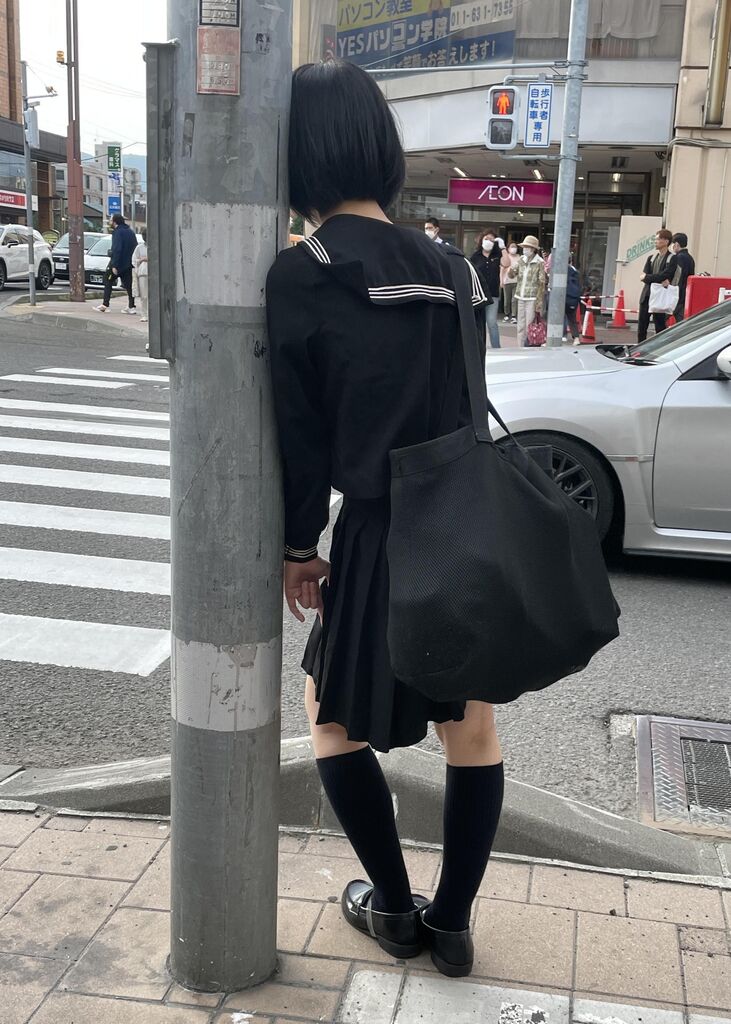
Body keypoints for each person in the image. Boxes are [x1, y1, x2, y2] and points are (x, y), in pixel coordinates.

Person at [267, 60, 503, 979]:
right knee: (469, 730)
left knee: (331, 720)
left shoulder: (305, 272)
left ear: (294, 154)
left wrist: (299, 547)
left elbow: (300, 439)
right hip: (462, 528)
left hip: (374, 532)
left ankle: (394, 910)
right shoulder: (453, 268)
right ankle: (453, 927)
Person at [470, 228, 509, 349]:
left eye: (492, 240)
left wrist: (503, 248)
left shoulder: (497, 255)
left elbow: (506, 263)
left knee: (491, 322)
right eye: (486, 239)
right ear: (482, 240)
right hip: (478, 294)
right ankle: (479, 347)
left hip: (492, 293)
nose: (488, 241)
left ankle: (496, 347)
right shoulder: (475, 256)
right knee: (479, 322)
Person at [638, 228, 678, 342]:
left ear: (666, 241)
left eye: (658, 239)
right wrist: (651, 278)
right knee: (642, 326)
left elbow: (666, 274)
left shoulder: (672, 258)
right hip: (647, 295)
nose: (655, 242)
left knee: (660, 326)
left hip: (660, 296)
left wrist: (647, 277)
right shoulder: (651, 258)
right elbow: (645, 276)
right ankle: (639, 347)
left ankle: (660, 348)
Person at [94, 214, 138, 314]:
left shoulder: (117, 232)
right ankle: (131, 306)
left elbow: (117, 249)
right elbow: (134, 247)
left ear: (115, 222)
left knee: (108, 280)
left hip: (118, 263)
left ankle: (105, 305)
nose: (110, 222)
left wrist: (114, 265)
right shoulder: (130, 232)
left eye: (111, 220)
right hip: (129, 264)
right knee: (129, 286)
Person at [515, 234, 547, 346]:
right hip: (520, 296)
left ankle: (528, 347)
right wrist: (512, 268)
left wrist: (539, 302)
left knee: (529, 325)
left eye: (527, 247)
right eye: (524, 247)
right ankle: (520, 347)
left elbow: (541, 283)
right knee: (520, 325)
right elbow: (513, 274)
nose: (525, 249)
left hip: (532, 298)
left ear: (533, 249)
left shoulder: (539, 262)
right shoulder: (521, 260)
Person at [671, 232, 695, 322]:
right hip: (685, 293)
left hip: (678, 294)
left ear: (676, 244)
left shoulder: (679, 257)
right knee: (681, 320)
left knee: (662, 319)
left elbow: (677, 278)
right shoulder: (690, 258)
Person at [131, 228, 148, 324]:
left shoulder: (156, 246)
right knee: (144, 296)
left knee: (153, 295)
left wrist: (146, 259)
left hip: (154, 274)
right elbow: (134, 260)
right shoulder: (139, 247)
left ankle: (151, 314)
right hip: (142, 273)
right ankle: (144, 314)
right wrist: (141, 260)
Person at [501, 241, 519, 324]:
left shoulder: (519, 257)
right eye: (512, 246)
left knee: (514, 300)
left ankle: (514, 316)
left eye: (515, 246)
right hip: (507, 281)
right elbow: (502, 270)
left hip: (516, 281)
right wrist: (501, 281)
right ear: (508, 248)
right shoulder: (505, 257)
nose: (513, 248)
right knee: (507, 300)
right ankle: (506, 314)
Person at [564, 259, 581, 343]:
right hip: (573, 298)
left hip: (563, 296)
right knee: (572, 318)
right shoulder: (576, 272)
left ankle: (562, 335)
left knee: (558, 317)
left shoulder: (562, 270)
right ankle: (576, 338)